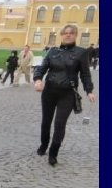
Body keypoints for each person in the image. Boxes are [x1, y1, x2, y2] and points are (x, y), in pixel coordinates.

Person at [33, 24, 95, 166]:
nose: (68, 35)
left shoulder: (81, 52)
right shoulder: (52, 51)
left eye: (71, 33)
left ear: (75, 35)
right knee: (46, 121)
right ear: (61, 35)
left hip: (67, 93)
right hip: (49, 92)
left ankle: (53, 153)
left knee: (60, 123)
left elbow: (85, 74)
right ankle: (43, 145)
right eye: (65, 33)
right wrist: (37, 80)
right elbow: (41, 68)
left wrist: (89, 90)